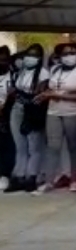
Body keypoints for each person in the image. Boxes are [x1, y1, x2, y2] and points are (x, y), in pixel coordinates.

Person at [39, 42, 76, 193]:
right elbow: (50, 88)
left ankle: (74, 179)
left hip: (74, 112)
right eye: (65, 53)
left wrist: (59, 95)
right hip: (53, 111)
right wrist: (46, 94)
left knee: (73, 146)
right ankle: (49, 181)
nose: (69, 56)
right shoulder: (55, 69)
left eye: (72, 53)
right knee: (53, 146)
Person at [6, 44, 49, 193]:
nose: (30, 58)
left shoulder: (43, 73)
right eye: (28, 54)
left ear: (40, 58)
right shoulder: (21, 71)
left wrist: (22, 93)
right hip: (17, 108)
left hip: (32, 111)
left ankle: (32, 176)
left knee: (34, 146)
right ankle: (19, 176)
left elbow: (39, 93)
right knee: (20, 145)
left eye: (35, 55)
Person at [0, 46, 13, 191]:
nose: (1, 63)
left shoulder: (14, 76)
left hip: (6, 115)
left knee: (5, 146)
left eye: (4, 60)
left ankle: (5, 175)